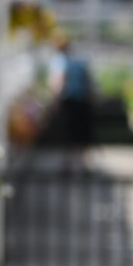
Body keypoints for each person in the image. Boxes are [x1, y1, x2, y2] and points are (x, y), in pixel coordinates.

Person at [49, 38, 92, 171]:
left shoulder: (61, 61)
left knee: (68, 133)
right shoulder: (80, 60)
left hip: (69, 100)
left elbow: (59, 81)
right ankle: (83, 164)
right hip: (82, 100)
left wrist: (55, 100)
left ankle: (67, 164)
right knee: (82, 132)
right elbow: (89, 81)